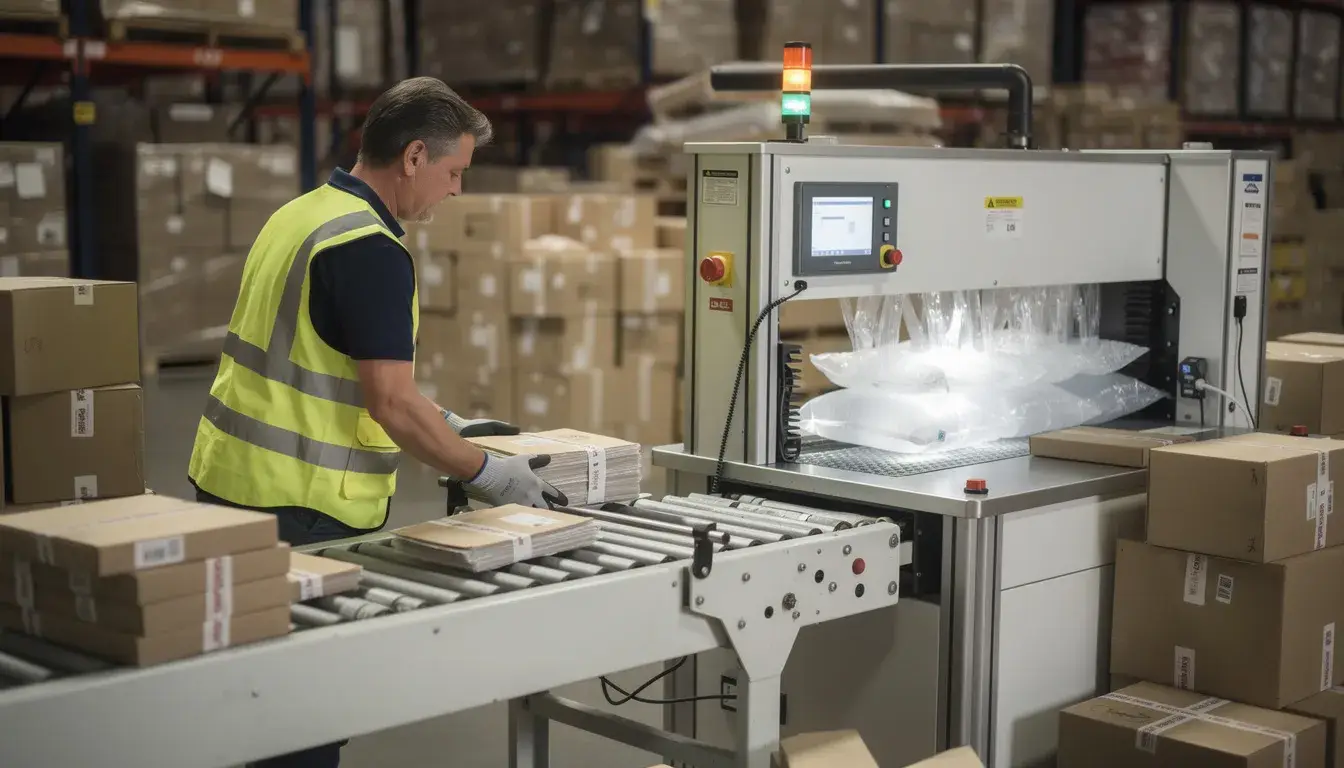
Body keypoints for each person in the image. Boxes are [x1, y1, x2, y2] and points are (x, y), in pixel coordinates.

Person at [186, 77, 567, 767]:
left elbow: (317, 357)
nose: (456, 191)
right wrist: (486, 472)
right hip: (299, 508)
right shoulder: (370, 251)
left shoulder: (302, 213)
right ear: (415, 157)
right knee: (301, 722)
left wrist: (448, 421)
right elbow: (387, 402)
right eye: (454, 173)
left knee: (249, 703)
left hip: (227, 484)